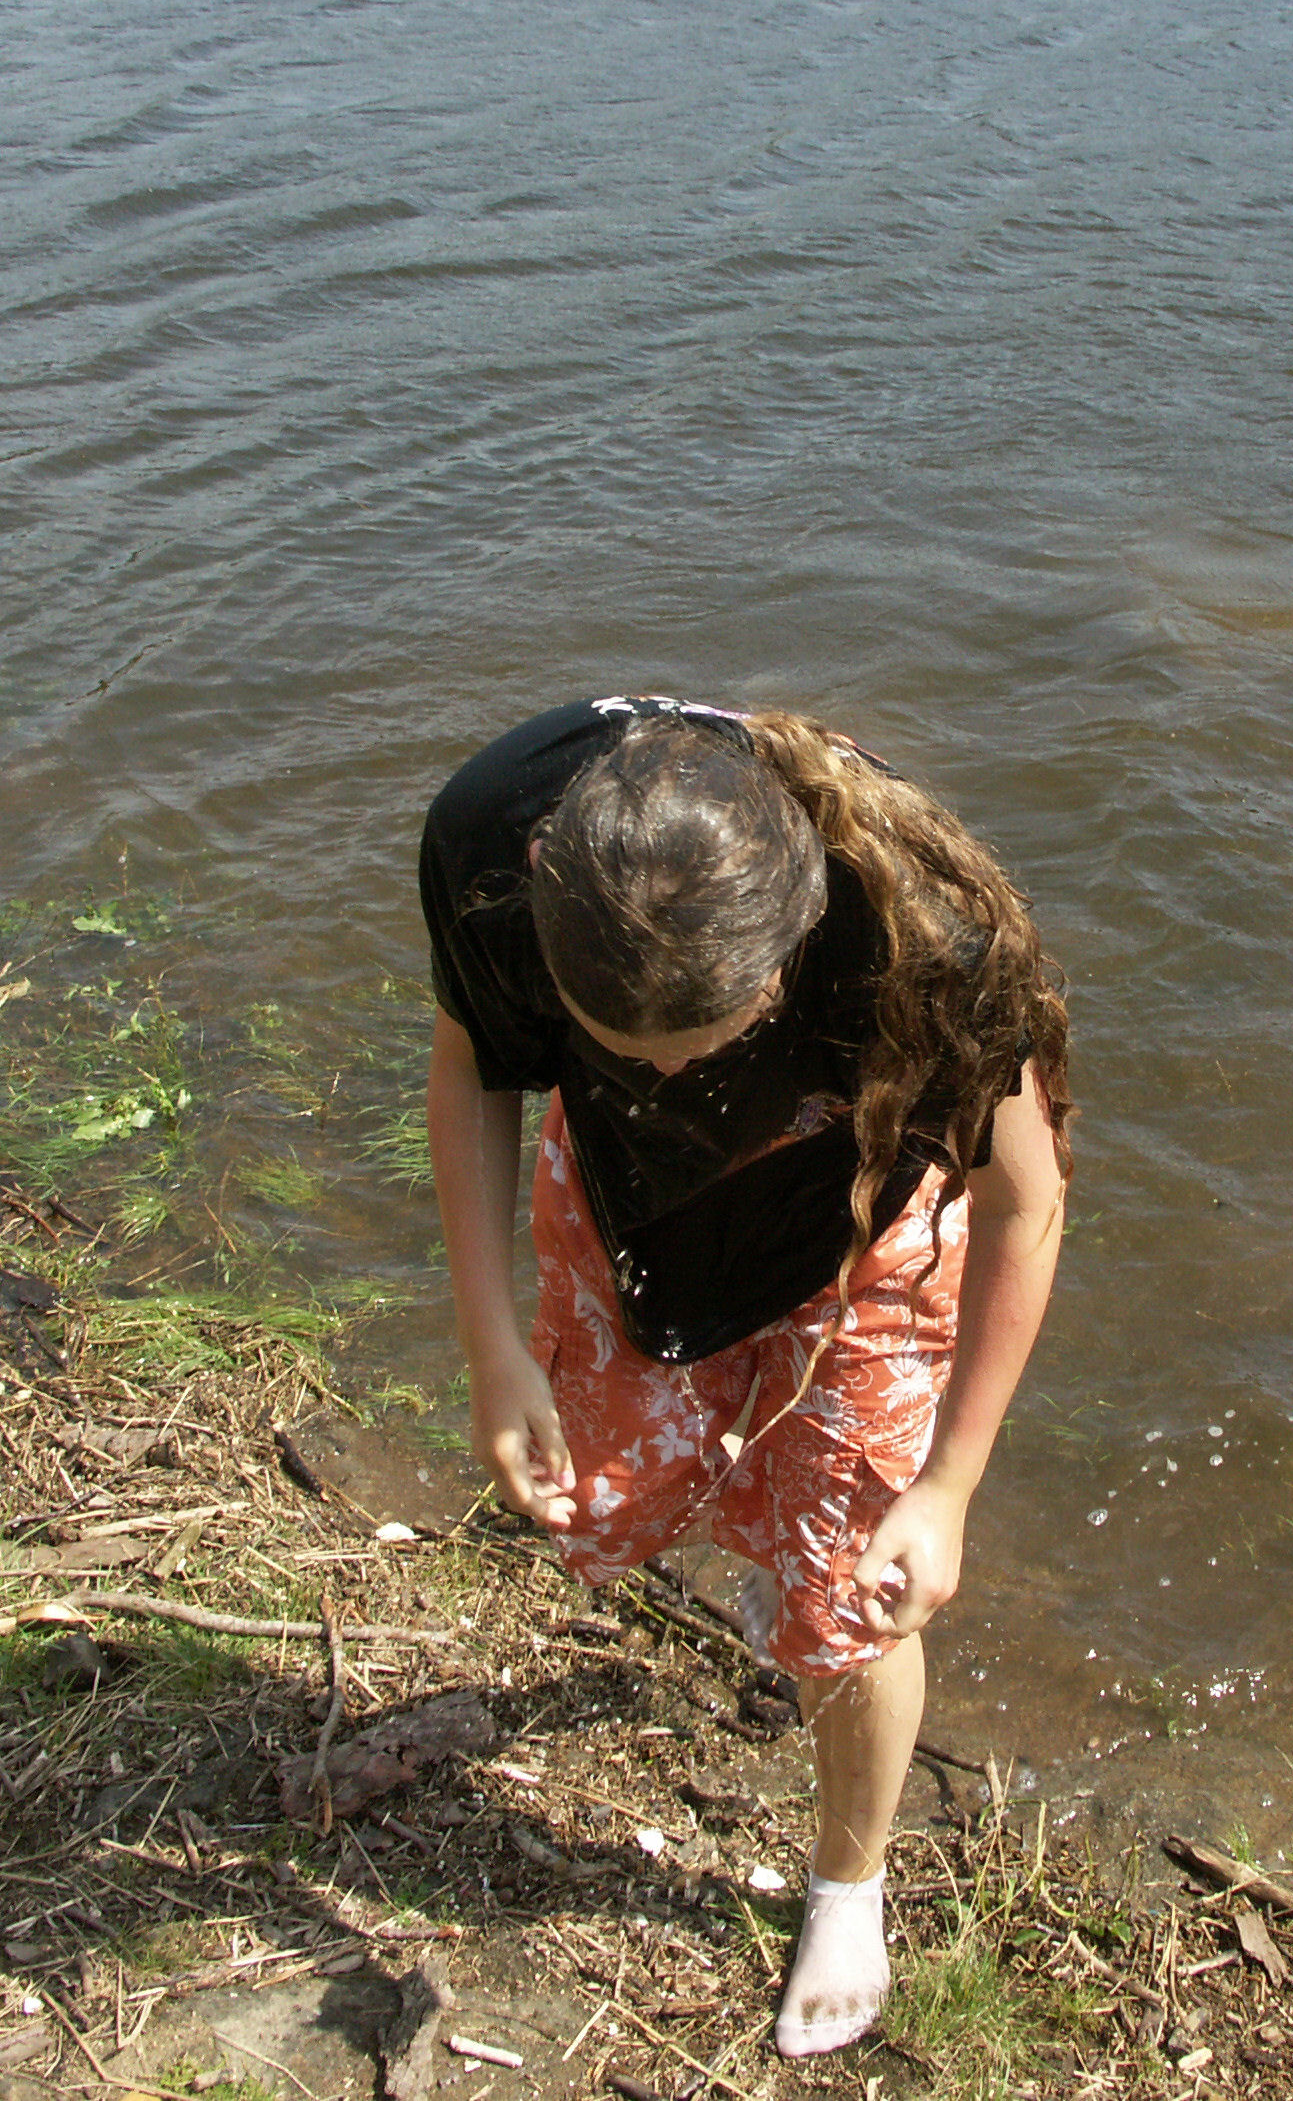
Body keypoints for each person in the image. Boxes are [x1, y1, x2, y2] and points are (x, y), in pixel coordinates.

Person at [420, 696, 1070, 2057]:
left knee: (853, 1597)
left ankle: (849, 1880)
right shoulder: (489, 849)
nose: (663, 1072)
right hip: (633, 1221)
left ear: (789, 955)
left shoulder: (923, 942)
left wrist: (950, 1485)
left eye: (699, 1047)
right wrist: (490, 1346)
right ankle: (755, 1536)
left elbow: (1027, 1207)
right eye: (621, 1048)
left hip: (866, 1225)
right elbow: (477, 1070)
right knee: (602, 1502)